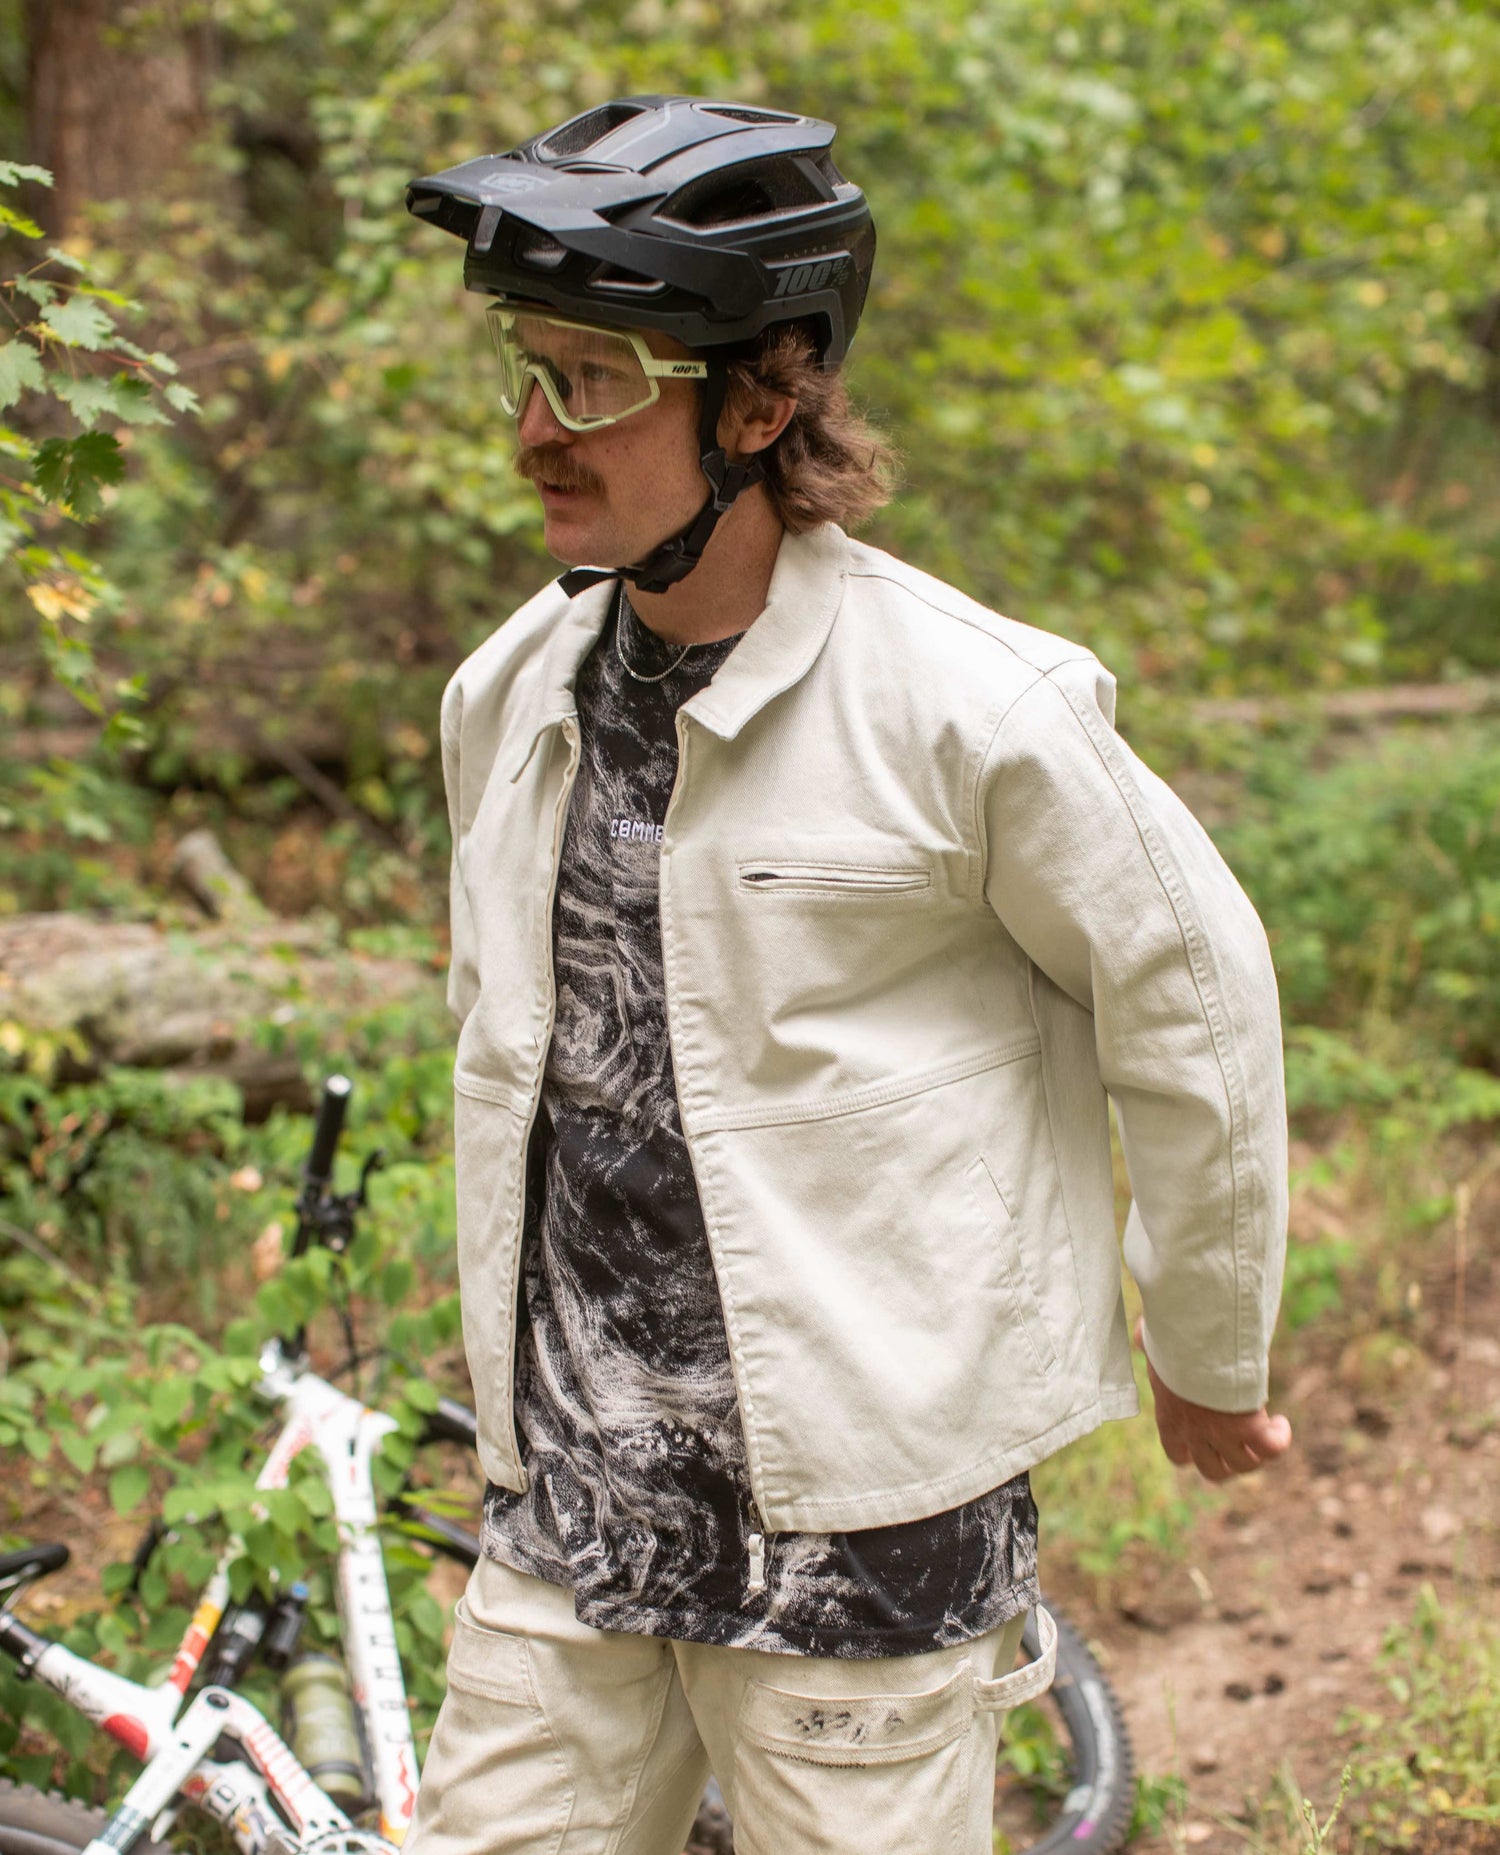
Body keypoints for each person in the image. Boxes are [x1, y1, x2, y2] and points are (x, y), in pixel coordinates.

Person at [403, 95, 1291, 1855]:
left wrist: (1208, 1342)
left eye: (595, 380)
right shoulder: (509, 698)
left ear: (762, 392)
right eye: (528, 371)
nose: (533, 432)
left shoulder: (974, 708)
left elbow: (1194, 1004)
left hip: (861, 1540)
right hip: (564, 1519)